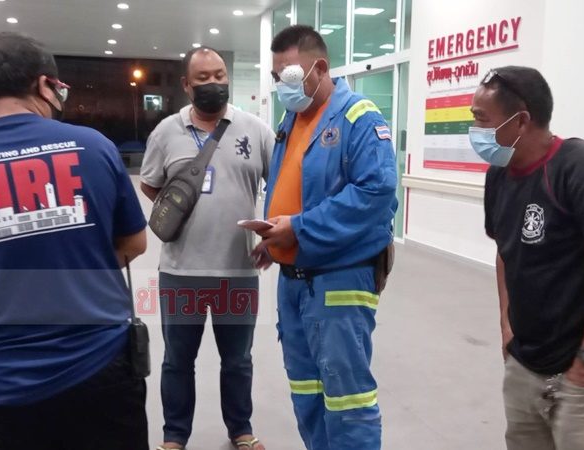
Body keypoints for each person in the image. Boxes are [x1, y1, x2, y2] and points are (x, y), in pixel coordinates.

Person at [0, 32, 149, 450]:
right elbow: (135, 243)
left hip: (4, 383)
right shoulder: (93, 147)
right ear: (44, 85)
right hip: (100, 368)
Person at [472, 66, 584, 450]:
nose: (475, 131)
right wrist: (506, 324)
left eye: (482, 120)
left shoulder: (583, 169)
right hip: (527, 362)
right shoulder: (499, 175)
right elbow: (505, 251)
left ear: (521, 121)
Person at [254, 25, 398, 450]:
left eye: (288, 75)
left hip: (338, 281)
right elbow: (293, 188)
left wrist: (298, 229)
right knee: (307, 391)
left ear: (320, 67)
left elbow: (376, 192)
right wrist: (275, 241)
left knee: (347, 397)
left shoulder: (359, 117)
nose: (281, 85)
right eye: (276, 76)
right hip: (294, 280)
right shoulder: (291, 120)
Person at [140, 47, 275, 450]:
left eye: (219, 75)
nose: (213, 83)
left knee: (238, 360)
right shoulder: (166, 132)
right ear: (187, 84)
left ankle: (241, 430)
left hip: (238, 270)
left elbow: (281, 184)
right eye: (203, 78)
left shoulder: (255, 130)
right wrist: (178, 209)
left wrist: (273, 237)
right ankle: (174, 436)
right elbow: (150, 183)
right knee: (177, 361)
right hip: (180, 271)